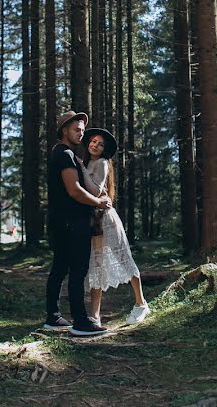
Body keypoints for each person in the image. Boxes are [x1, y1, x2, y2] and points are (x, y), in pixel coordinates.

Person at [43, 111, 112, 337]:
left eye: (83, 129)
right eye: (76, 129)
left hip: (61, 222)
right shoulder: (65, 155)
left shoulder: (63, 154)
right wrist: (99, 202)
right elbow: (74, 190)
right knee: (77, 270)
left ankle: (53, 317)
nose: (81, 133)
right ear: (64, 130)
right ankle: (81, 322)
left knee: (60, 268)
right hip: (72, 222)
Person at [80, 128, 150, 325]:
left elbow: (95, 189)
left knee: (123, 258)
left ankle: (141, 303)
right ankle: (95, 315)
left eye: (100, 144)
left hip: (106, 219)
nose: (95, 145)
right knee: (97, 265)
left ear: (104, 150)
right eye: (93, 141)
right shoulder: (86, 163)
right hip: (93, 221)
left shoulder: (101, 163)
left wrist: (83, 170)